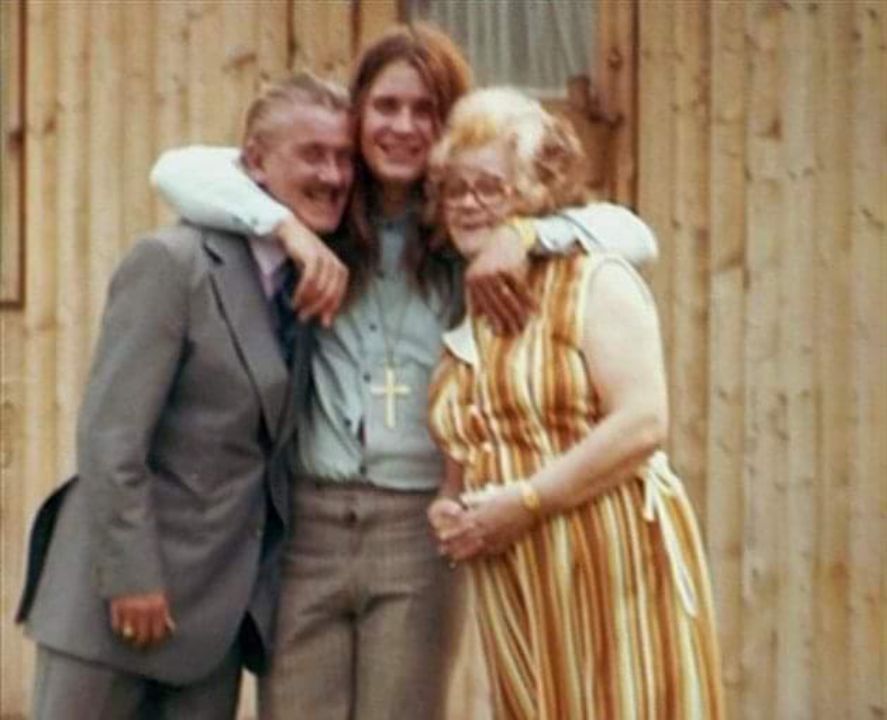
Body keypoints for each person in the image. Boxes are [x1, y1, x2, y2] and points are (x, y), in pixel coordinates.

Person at [150, 25, 659, 720]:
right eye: (385, 107)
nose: (402, 126)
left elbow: (634, 234)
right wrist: (283, 228)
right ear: (358, 114)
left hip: (415, 523)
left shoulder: (463, 226)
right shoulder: (322, 205)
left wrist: (525, 234)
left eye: (425, 110)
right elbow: (175, 170)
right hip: (309, 519)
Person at [16, 73, 354, 719]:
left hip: (213, 624)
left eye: (343, 157)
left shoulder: (310, 284)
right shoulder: (174, 264)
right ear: (254, 161)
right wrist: (132, 577)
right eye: (312, 154)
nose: (334, 175)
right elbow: (111, 435)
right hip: (114, 605)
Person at [425, 86, 726, 719]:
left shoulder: (592, 278)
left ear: (533, 193)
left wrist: (525, 501)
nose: (469, 204)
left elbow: (643, 424)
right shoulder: (472, 312)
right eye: (455, 189)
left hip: (611, 566)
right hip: (519, 583)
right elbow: (468, 450)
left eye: (490, 187)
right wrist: (451, 508)